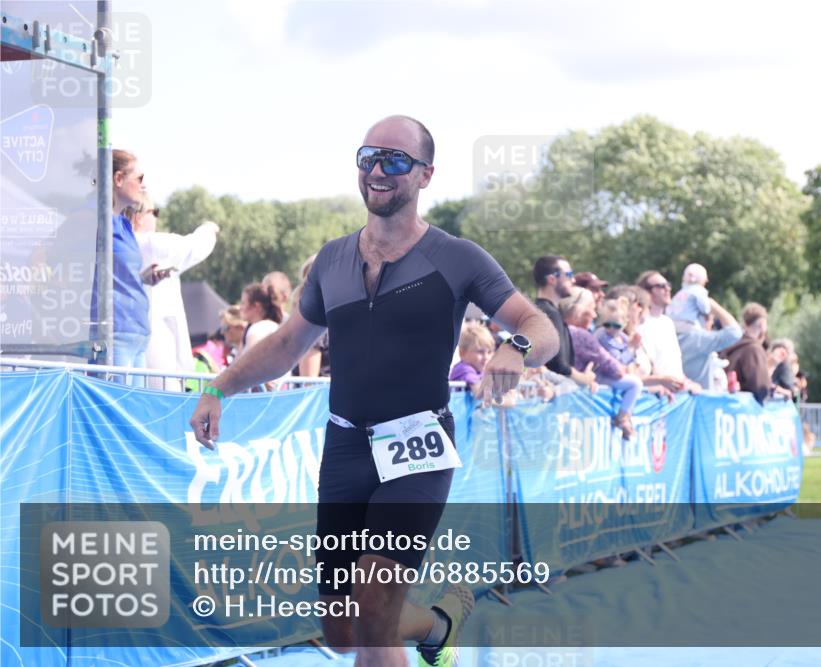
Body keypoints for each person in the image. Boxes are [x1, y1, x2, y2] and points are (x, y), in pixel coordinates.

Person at [190, 115, 558, 667]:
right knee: (343, 630)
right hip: (345, 449)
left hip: (418, 445)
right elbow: (290, 341)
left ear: (426, 175)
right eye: (369, 157)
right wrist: (219, 387)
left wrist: (516, 349)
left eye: (395, 160)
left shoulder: (457, 257)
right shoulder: (333, 259)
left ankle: (419, 626)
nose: (379, 171)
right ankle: (439, 624)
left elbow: (541, 325)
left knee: (374, 607)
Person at [93, 149, 171, 384]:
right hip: (114, 335)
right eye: (139, 179)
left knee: (130, 410)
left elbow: (116, 273)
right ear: (117, 179)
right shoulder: (97, 220)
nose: (144, 186)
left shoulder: (124, 225)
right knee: (115, 412)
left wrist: (143, 278)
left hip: (136, 334)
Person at [132, 196, 220, 391]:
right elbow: (195, 246)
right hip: (159, 349)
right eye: (154, 212)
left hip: (134, 346)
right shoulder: (151, 244)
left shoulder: (119, 245)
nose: (156, 218)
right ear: (138, 217)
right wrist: (209, 228)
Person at [561, 287, 642, 439]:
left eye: (616, 326)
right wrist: (630, 350)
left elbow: (626, 365)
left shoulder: (622, 338)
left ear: (624, 324)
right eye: (607, 324)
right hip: (595, 378)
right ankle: (623, 418)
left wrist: (631, 351)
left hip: (592, 381)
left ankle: (625, 417)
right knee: (635, 384)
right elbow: (616, 368)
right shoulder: (590, 335)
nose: (594, 314)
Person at [534, 255, 598, 391]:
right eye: (568, 274)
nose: (573, 280)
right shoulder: (548, 312)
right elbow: (557, 365)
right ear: (552, 279)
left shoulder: (549, 311)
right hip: (546, 400)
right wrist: (584, 379)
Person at [634, 271, 697, 392]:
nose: (667, 289)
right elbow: (643, 367)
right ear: (647, 292)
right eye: (661, 286)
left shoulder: (668, 322)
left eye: (668, 285)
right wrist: (659, 383)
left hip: (675, 397)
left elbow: (671, 364)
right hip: (654, 396)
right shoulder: (641, 324)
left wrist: (687, 382)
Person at [674, 296, 742, 391]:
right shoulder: (697, 340)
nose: (711, 324)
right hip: (698, 400)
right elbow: (734, 333)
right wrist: (713, 305)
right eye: (710, 319)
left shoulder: (672, 334)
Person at [721, 303, 771, 404]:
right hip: (748, 412)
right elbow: (760, 387)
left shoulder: (730, 346)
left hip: (728, 410)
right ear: (762, 324)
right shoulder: (754, 349)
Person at [449, 322, 495, 393]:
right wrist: (507, 400)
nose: (486, 357)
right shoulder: (463, 369)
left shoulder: (480, 371)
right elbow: (480, 394)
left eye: (489, 352)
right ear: (462, 353)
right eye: (480, 352)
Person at [666, 262, 711, 327]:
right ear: (693, 277)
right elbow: (705, 309)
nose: (707, 280)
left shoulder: (680, 292)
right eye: (705, 277)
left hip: (672, 326)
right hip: (689, 326)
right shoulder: (699, 290)